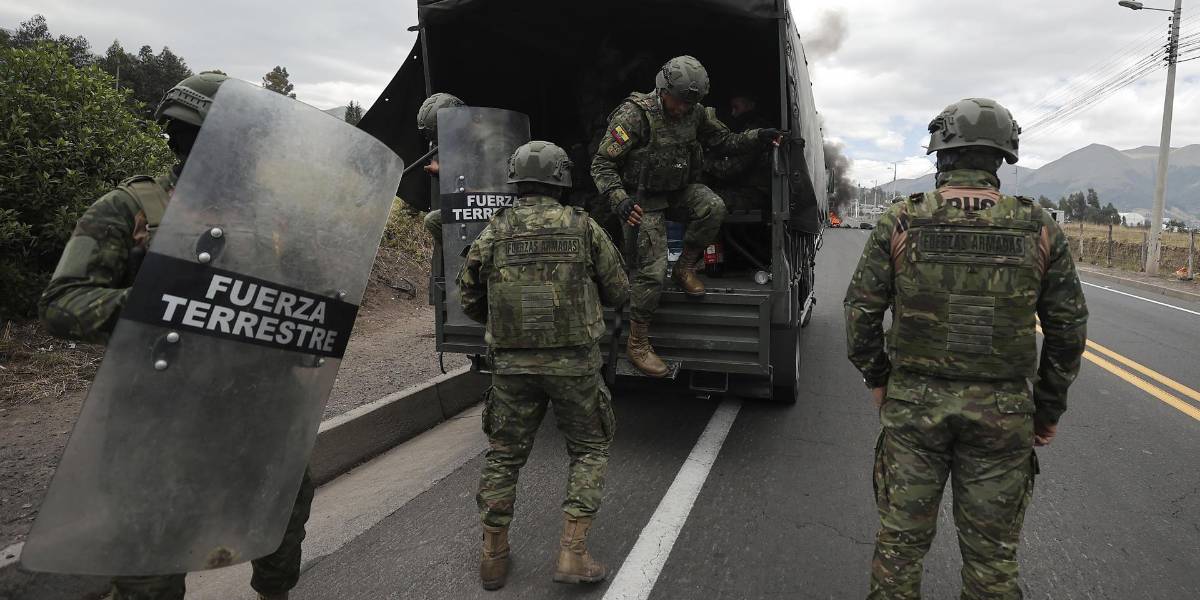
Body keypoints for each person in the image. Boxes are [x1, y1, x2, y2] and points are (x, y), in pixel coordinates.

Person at [39, 72, 314, 600]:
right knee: (149, 565)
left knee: (280, 529)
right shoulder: (132, 208)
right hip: (158, 422)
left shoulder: (268, 217)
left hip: (258, 412)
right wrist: (149, 298)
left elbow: (302, 296)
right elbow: (61, 304)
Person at [843, 98, 1089, 600]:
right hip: (1002, 415)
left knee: (900, 546)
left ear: (941, 154)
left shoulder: (901, 221)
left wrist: (879, 380)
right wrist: (1046, 410)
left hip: (913, 408)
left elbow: (861, 312)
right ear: (1002, 157)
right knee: (993, 557)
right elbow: (1067, 328)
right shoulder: (1039, 226)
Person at [457, 140, 629, 590]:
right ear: (562, 178)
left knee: (504, 456)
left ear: (517, 178)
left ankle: (493, 556)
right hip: (574, 365)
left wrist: (507, 326)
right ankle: (573, 553)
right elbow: (619, 289)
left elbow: (470, 297)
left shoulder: (495, 230)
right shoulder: (582, 226)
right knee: (589, 448)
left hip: (511, 368)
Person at [590, 55, 782, 377]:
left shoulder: (696, 113)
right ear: (662, 89)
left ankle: (685, 267)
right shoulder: (634, 115)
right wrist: (618, 199)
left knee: (714, 207)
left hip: (678, 190)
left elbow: (724, 142)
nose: (682, 109)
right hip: (642, 198)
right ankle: (637, 343)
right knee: (651, 272)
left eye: (689, 103)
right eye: (678, 101)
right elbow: (601, 164)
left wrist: (757, 135)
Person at [704, 91, 772, 212]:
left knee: (703, 203)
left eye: (736, 107)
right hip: (741, 190)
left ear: (750, 106)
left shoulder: (756, 133)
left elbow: (730, 169)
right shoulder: (745, 129)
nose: (733, 113)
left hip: (753, 194)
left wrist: (704, 164)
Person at [415, 92, 466, 244]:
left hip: (489, 204)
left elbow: (484, 179)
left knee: (433, 220)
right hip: (468, 205)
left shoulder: (482, 138)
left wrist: (443, 171)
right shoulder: (456, 144)